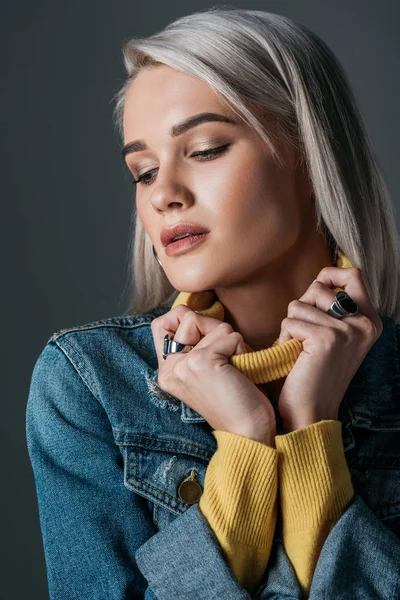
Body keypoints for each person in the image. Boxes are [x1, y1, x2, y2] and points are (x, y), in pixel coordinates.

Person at [26, 7, 400, 599]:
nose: (165, 195)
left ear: (308, 156)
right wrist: (247, 443)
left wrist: (309, 428)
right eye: (143, 172)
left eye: (203, 150)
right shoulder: (89, 384)